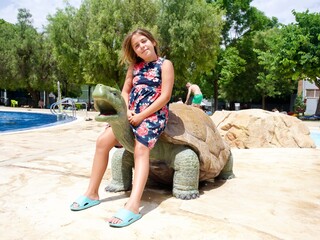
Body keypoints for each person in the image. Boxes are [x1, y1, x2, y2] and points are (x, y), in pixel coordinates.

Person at [70, 28, 174, 228]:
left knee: (141, 149)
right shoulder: (134, 67)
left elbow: (165, 96)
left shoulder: (165, 64)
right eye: (136, 45)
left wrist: (142, 115)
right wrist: (126, 112)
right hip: (131, 113)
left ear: (152, 41)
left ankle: (133, 205)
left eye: (144, 41)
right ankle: (91, 192)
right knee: (102, 141)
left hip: (153, 114)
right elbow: (125, 91)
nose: (141, 46)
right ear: (134, 51)